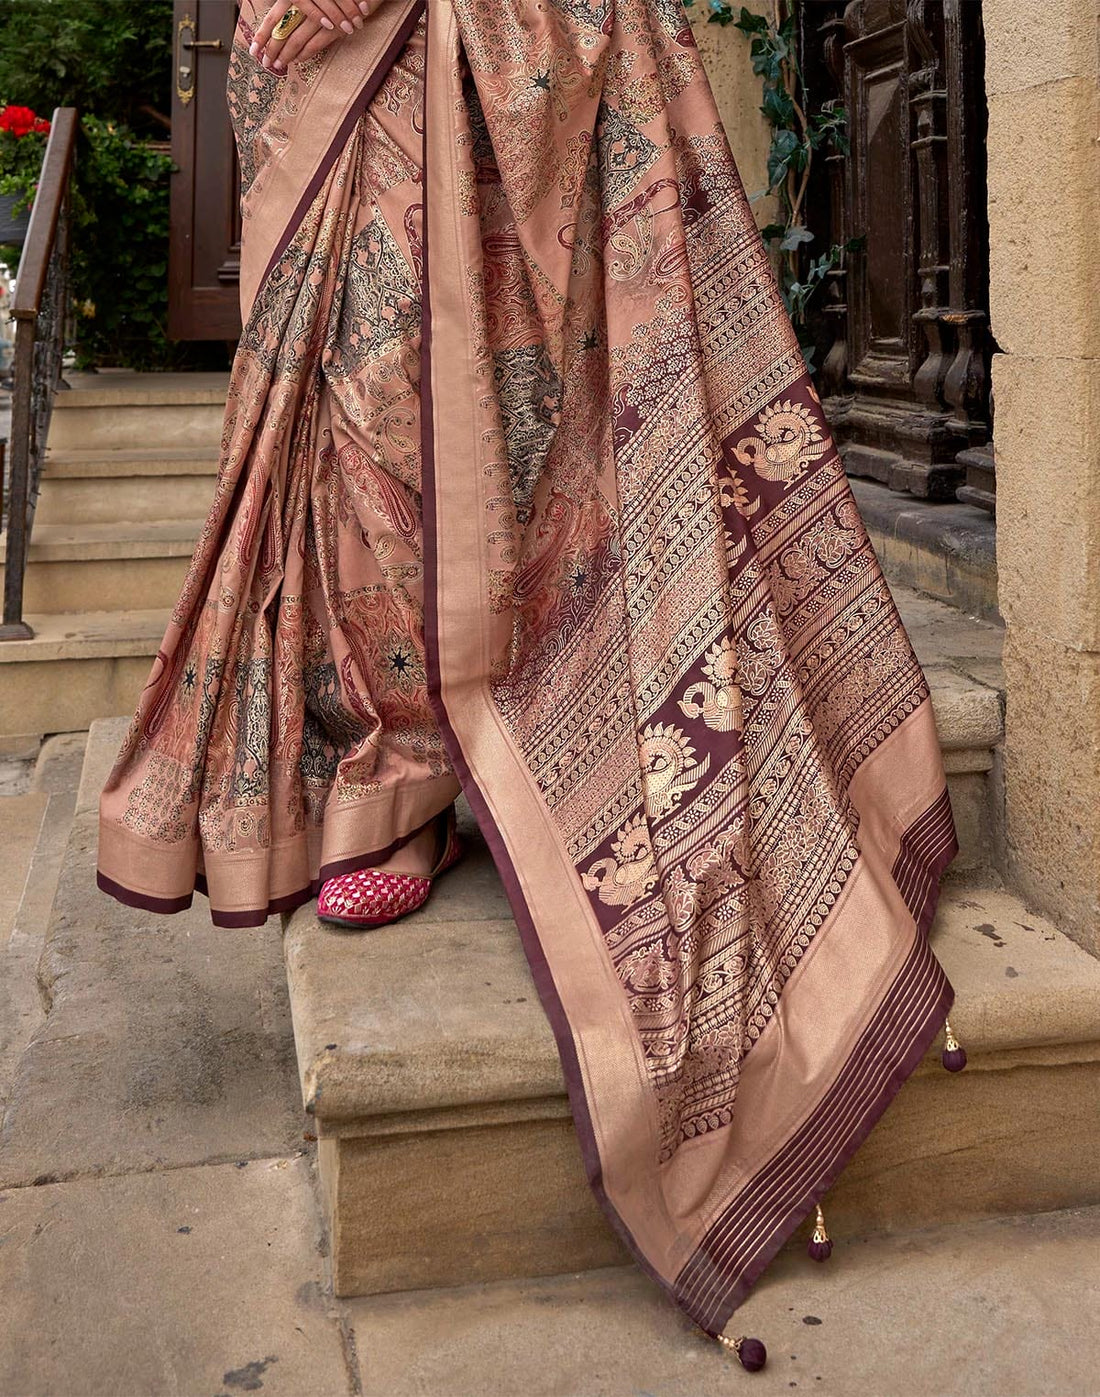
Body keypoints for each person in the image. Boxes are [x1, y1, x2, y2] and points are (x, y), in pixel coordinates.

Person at [98, 0, 962, 1363]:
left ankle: (517, 742)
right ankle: (398, 775)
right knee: (367, 422)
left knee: (534, 423)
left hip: (526, 52)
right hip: (357, 86)